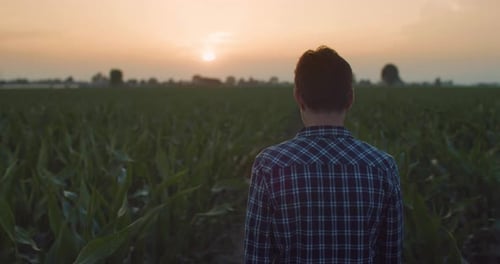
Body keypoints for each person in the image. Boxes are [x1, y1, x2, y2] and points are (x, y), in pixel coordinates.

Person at [244, 46, 403, 263]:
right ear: (350, 99)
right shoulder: (382, 167)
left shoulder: (269, 166)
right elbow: (391, 257)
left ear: (298, 97)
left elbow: (256, 258)